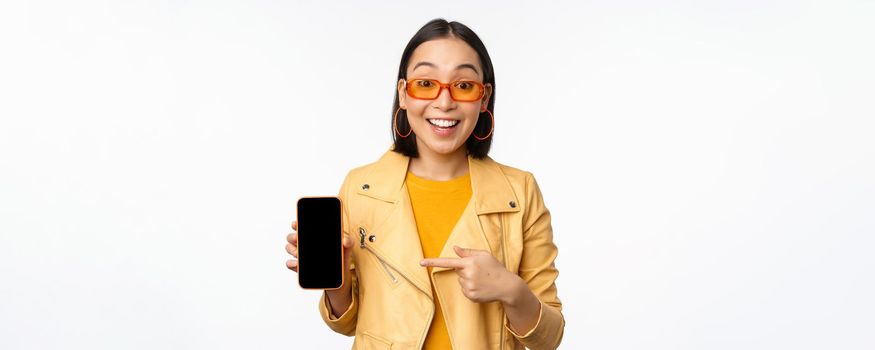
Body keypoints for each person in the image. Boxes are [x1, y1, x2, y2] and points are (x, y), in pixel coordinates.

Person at [285, 18, 564, 349]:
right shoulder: (361, 188)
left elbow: (549, 338)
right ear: (403, 93)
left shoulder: (520, 191)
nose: (444, 102)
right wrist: (337, 284)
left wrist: (511, 289)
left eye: (463, 85)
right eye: (426, 83)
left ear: (484, 98)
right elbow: (348, 323)